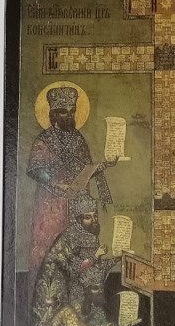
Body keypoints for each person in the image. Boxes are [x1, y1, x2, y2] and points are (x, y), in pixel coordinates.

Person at [21, 193, 136, 326]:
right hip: (71, 300)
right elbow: (68, 267)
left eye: (94, 215)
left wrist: (116, 258)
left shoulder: (91, 238)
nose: (93, 220)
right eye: (87, 217)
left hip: (87, 299)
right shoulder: (68, 239)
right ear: (77, 219)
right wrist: (93, 258)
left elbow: (96, 270)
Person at [27, 85, 117, 284]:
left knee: (78, 250)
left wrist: (105, 165)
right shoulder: (44, 140)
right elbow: (35, 169)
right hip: (52, 205)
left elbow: (86, 170)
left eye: (72, 111)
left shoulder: (78, 139)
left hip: (77, 204)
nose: (68, 116)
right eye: (63, 112)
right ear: (53, 115)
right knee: (50, 247)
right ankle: (45, 294)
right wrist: (55, 184)